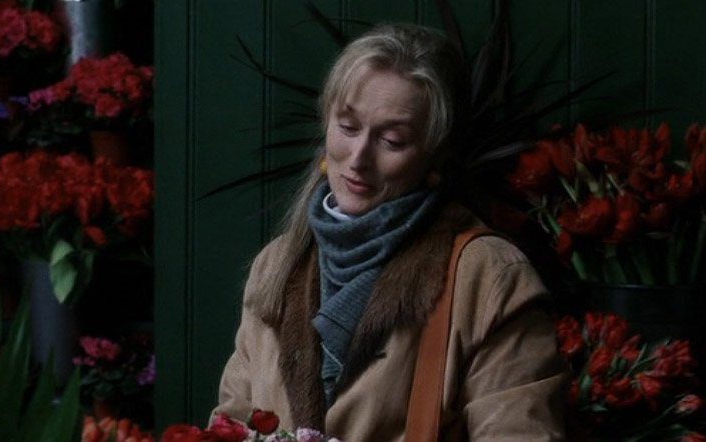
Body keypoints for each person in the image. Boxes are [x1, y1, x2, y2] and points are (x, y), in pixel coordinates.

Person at [213, 23, 567, 441]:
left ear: (435, 153)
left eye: (393, 141)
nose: (358, 158)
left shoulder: (490, 276)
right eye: (348, 127)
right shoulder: (276, 264)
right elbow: (229, 427)